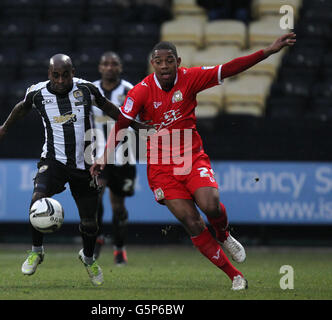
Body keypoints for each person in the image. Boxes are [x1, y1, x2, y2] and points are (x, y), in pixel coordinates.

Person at [90, 33, 296, 290]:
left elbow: (230, 68)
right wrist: (104, 157)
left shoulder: (190, 78)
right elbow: (121, 125)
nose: (164, 66)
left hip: (191, 157)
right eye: (158, 61)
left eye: (169, 61)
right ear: (152, 64)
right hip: (161, 169)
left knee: (210, 206)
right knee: (192, 221)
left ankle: (223, 234)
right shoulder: (141, 91)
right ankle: (235, 276)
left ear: (178, 61)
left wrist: (267, 51)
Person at [0, 54, 148, 286]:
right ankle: (36, 251)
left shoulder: (86, 89)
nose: (61, 80)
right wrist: (4, 127)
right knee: (37, 200)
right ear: (49, 74)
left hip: (84, 164)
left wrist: (136, 126)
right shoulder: (37, 92)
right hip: (53, 160)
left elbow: (110, 109)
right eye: (56, 75)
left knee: (90, 223)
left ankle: (88, 257)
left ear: (72, 72)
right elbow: (22, 108)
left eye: (65, 75)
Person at [92, 52, 135, 265]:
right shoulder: (90, 90)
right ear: (100, 67)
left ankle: (119, 247)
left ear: (120, 67)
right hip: (97, 155)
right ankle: (98, 236)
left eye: (114, 64)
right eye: (105, 63)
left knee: (118, 206)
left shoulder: (129, 90)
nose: (109, 67)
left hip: (124, 156)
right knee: (95, 197)